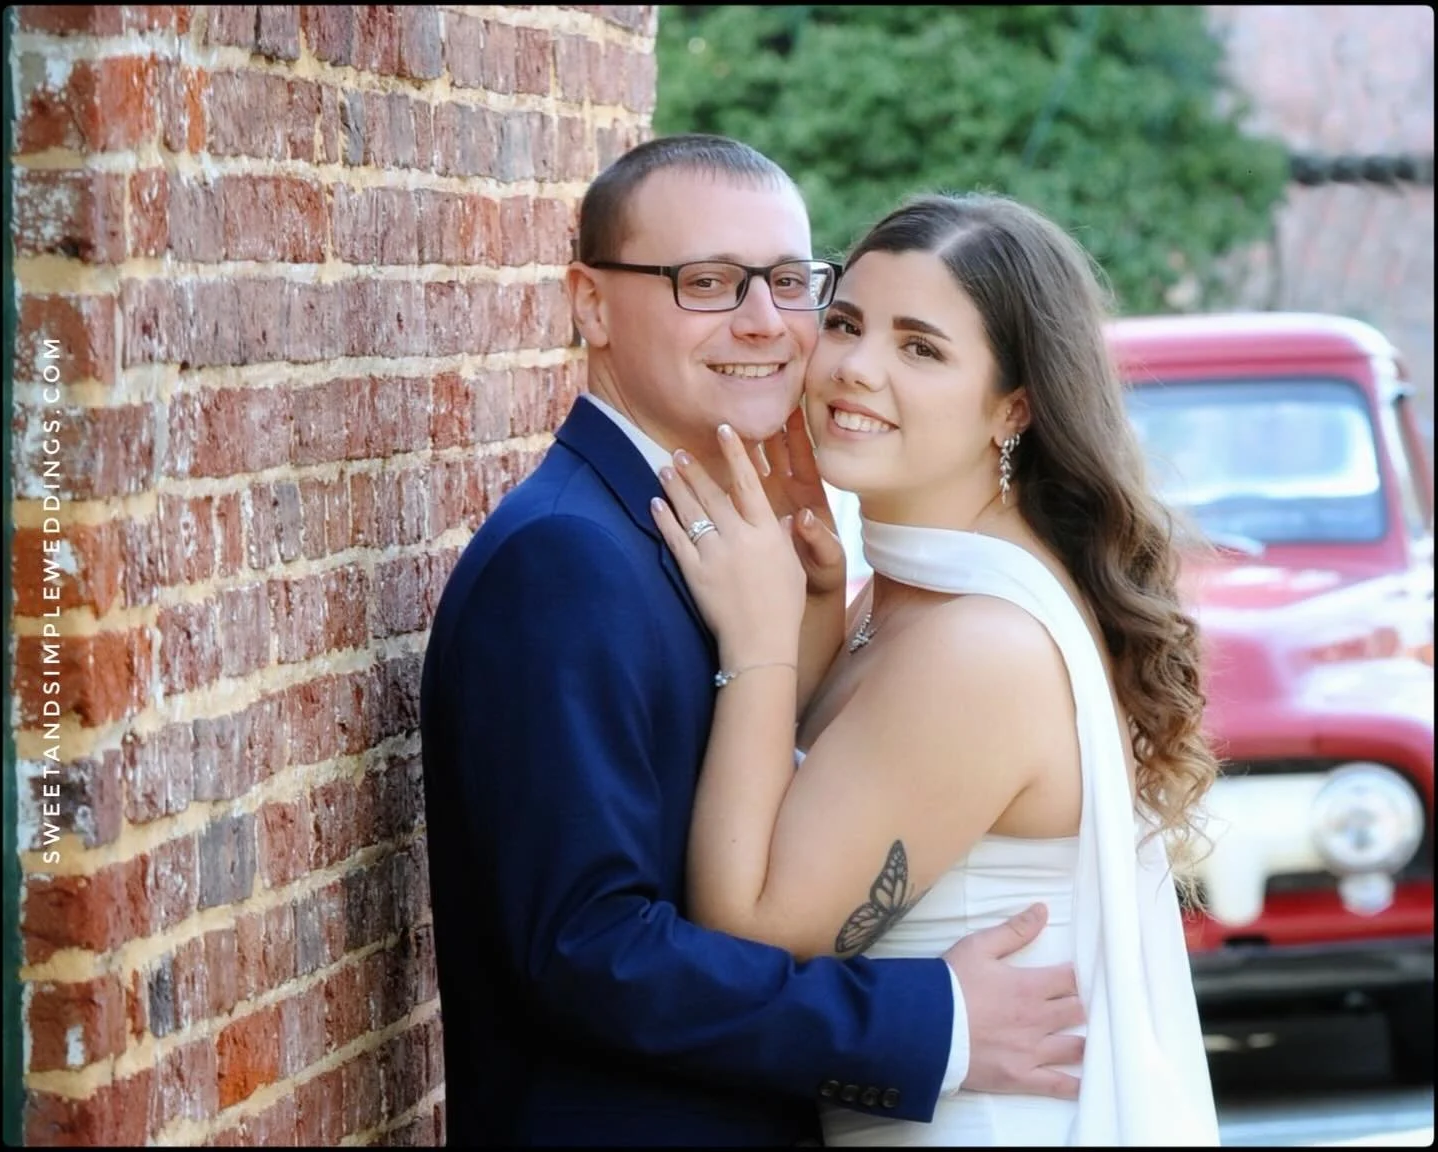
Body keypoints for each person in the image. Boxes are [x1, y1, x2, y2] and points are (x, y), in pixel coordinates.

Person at [419, 137, 1087, 1147]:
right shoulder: (568, 560)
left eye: (786, 281)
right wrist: (925, 1024)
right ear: (590, 303)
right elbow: (586, 948)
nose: (765, 323)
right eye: (707, 283)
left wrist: (804, 639)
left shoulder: (712, 545)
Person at [651, 192, 1223, 1146]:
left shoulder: (978, 647)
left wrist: (755, 642)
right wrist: (818, 623)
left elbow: (748, 933)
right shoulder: (915, 597)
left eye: (920, 348)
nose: (854, 369)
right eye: (845, 324)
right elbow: (825, 803)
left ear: (1014, 407)